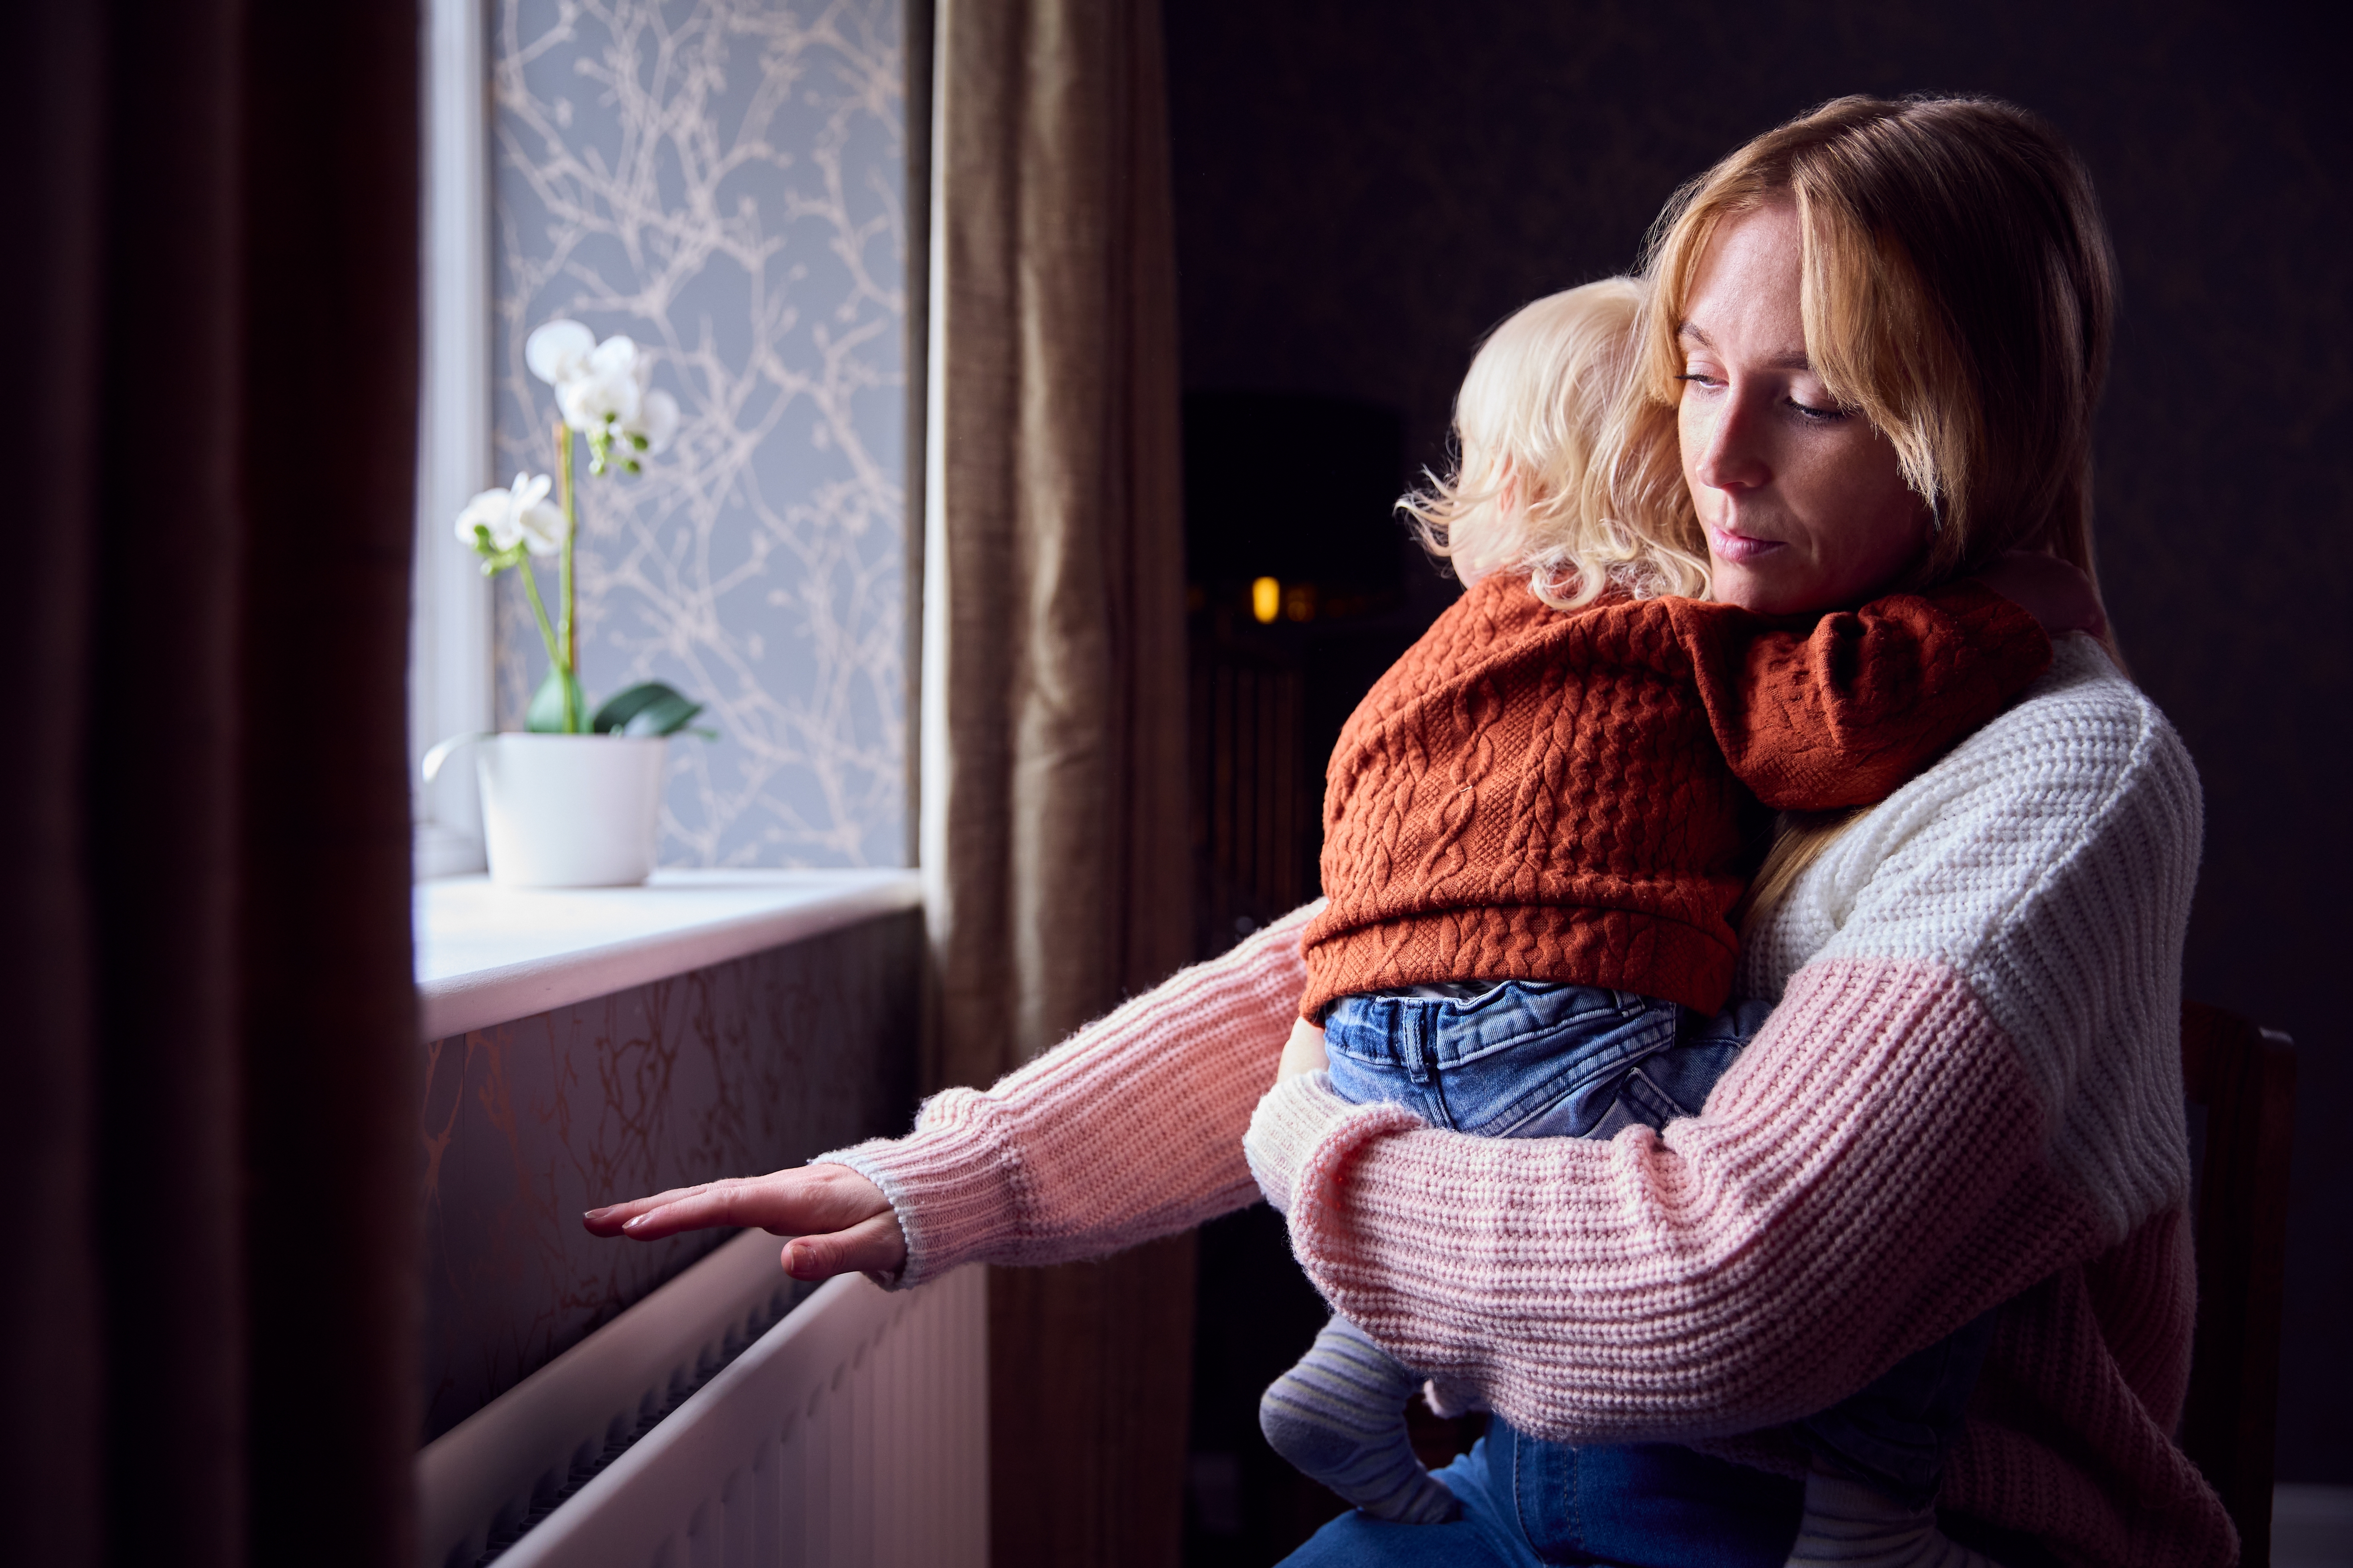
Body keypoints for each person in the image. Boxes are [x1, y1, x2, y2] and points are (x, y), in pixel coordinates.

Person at [586, 95, 2229, 1568]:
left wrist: (1317, 1152)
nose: (1711, 460)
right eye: (1700, 377)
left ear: (1972, 435)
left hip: (1869, 1537)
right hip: (1544, 1489)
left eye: (1812, 404)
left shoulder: (2065, 774)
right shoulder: (1715, 668)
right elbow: (1359, 971)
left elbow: (1728, 1289)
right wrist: (941, 1180)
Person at [1252, 274, 2078, 1539]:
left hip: (1361, 1036)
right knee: (1928, 1183)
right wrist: (2001, 616)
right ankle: (1871, 1515)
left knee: (1473, 1122)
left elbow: (1366, 865)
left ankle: (1353, 1363)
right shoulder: (1672, 622)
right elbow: (1832, 732)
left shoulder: (1423, 669)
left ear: (1514, 493)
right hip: (1549, 1024)